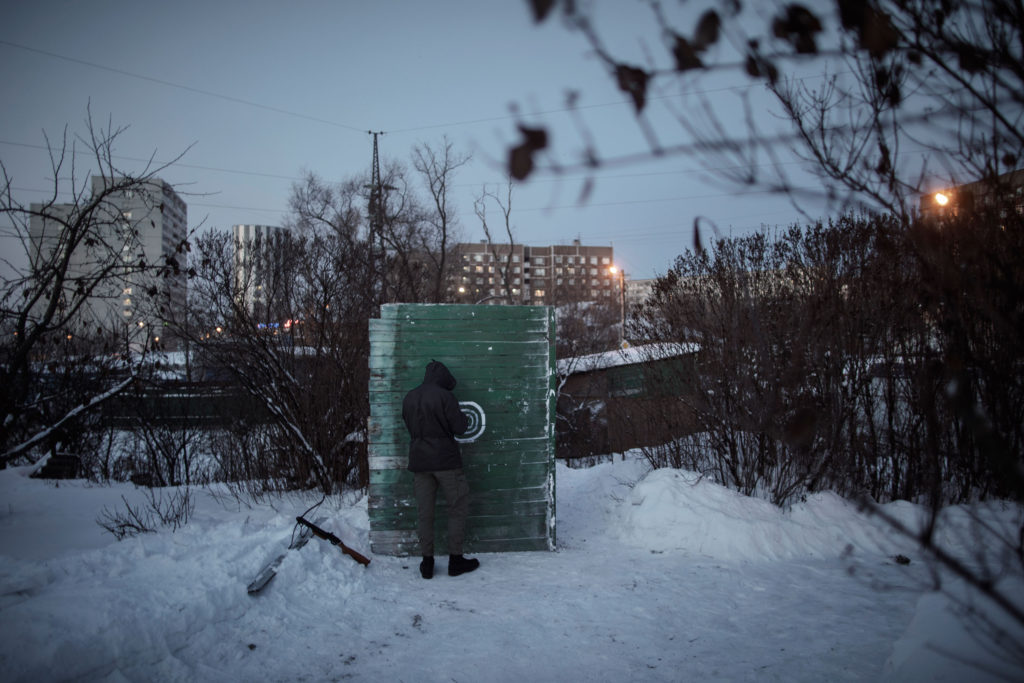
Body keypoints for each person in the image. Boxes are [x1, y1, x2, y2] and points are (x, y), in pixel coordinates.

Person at [401, 360, 481, 579]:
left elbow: (409, 426)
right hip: (446, 462)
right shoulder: (445, 397)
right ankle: (455, 561)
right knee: (457, 508)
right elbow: (461, 428)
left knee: (424, 514)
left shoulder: (409, 397)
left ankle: (427, 563)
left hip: (419, 462)